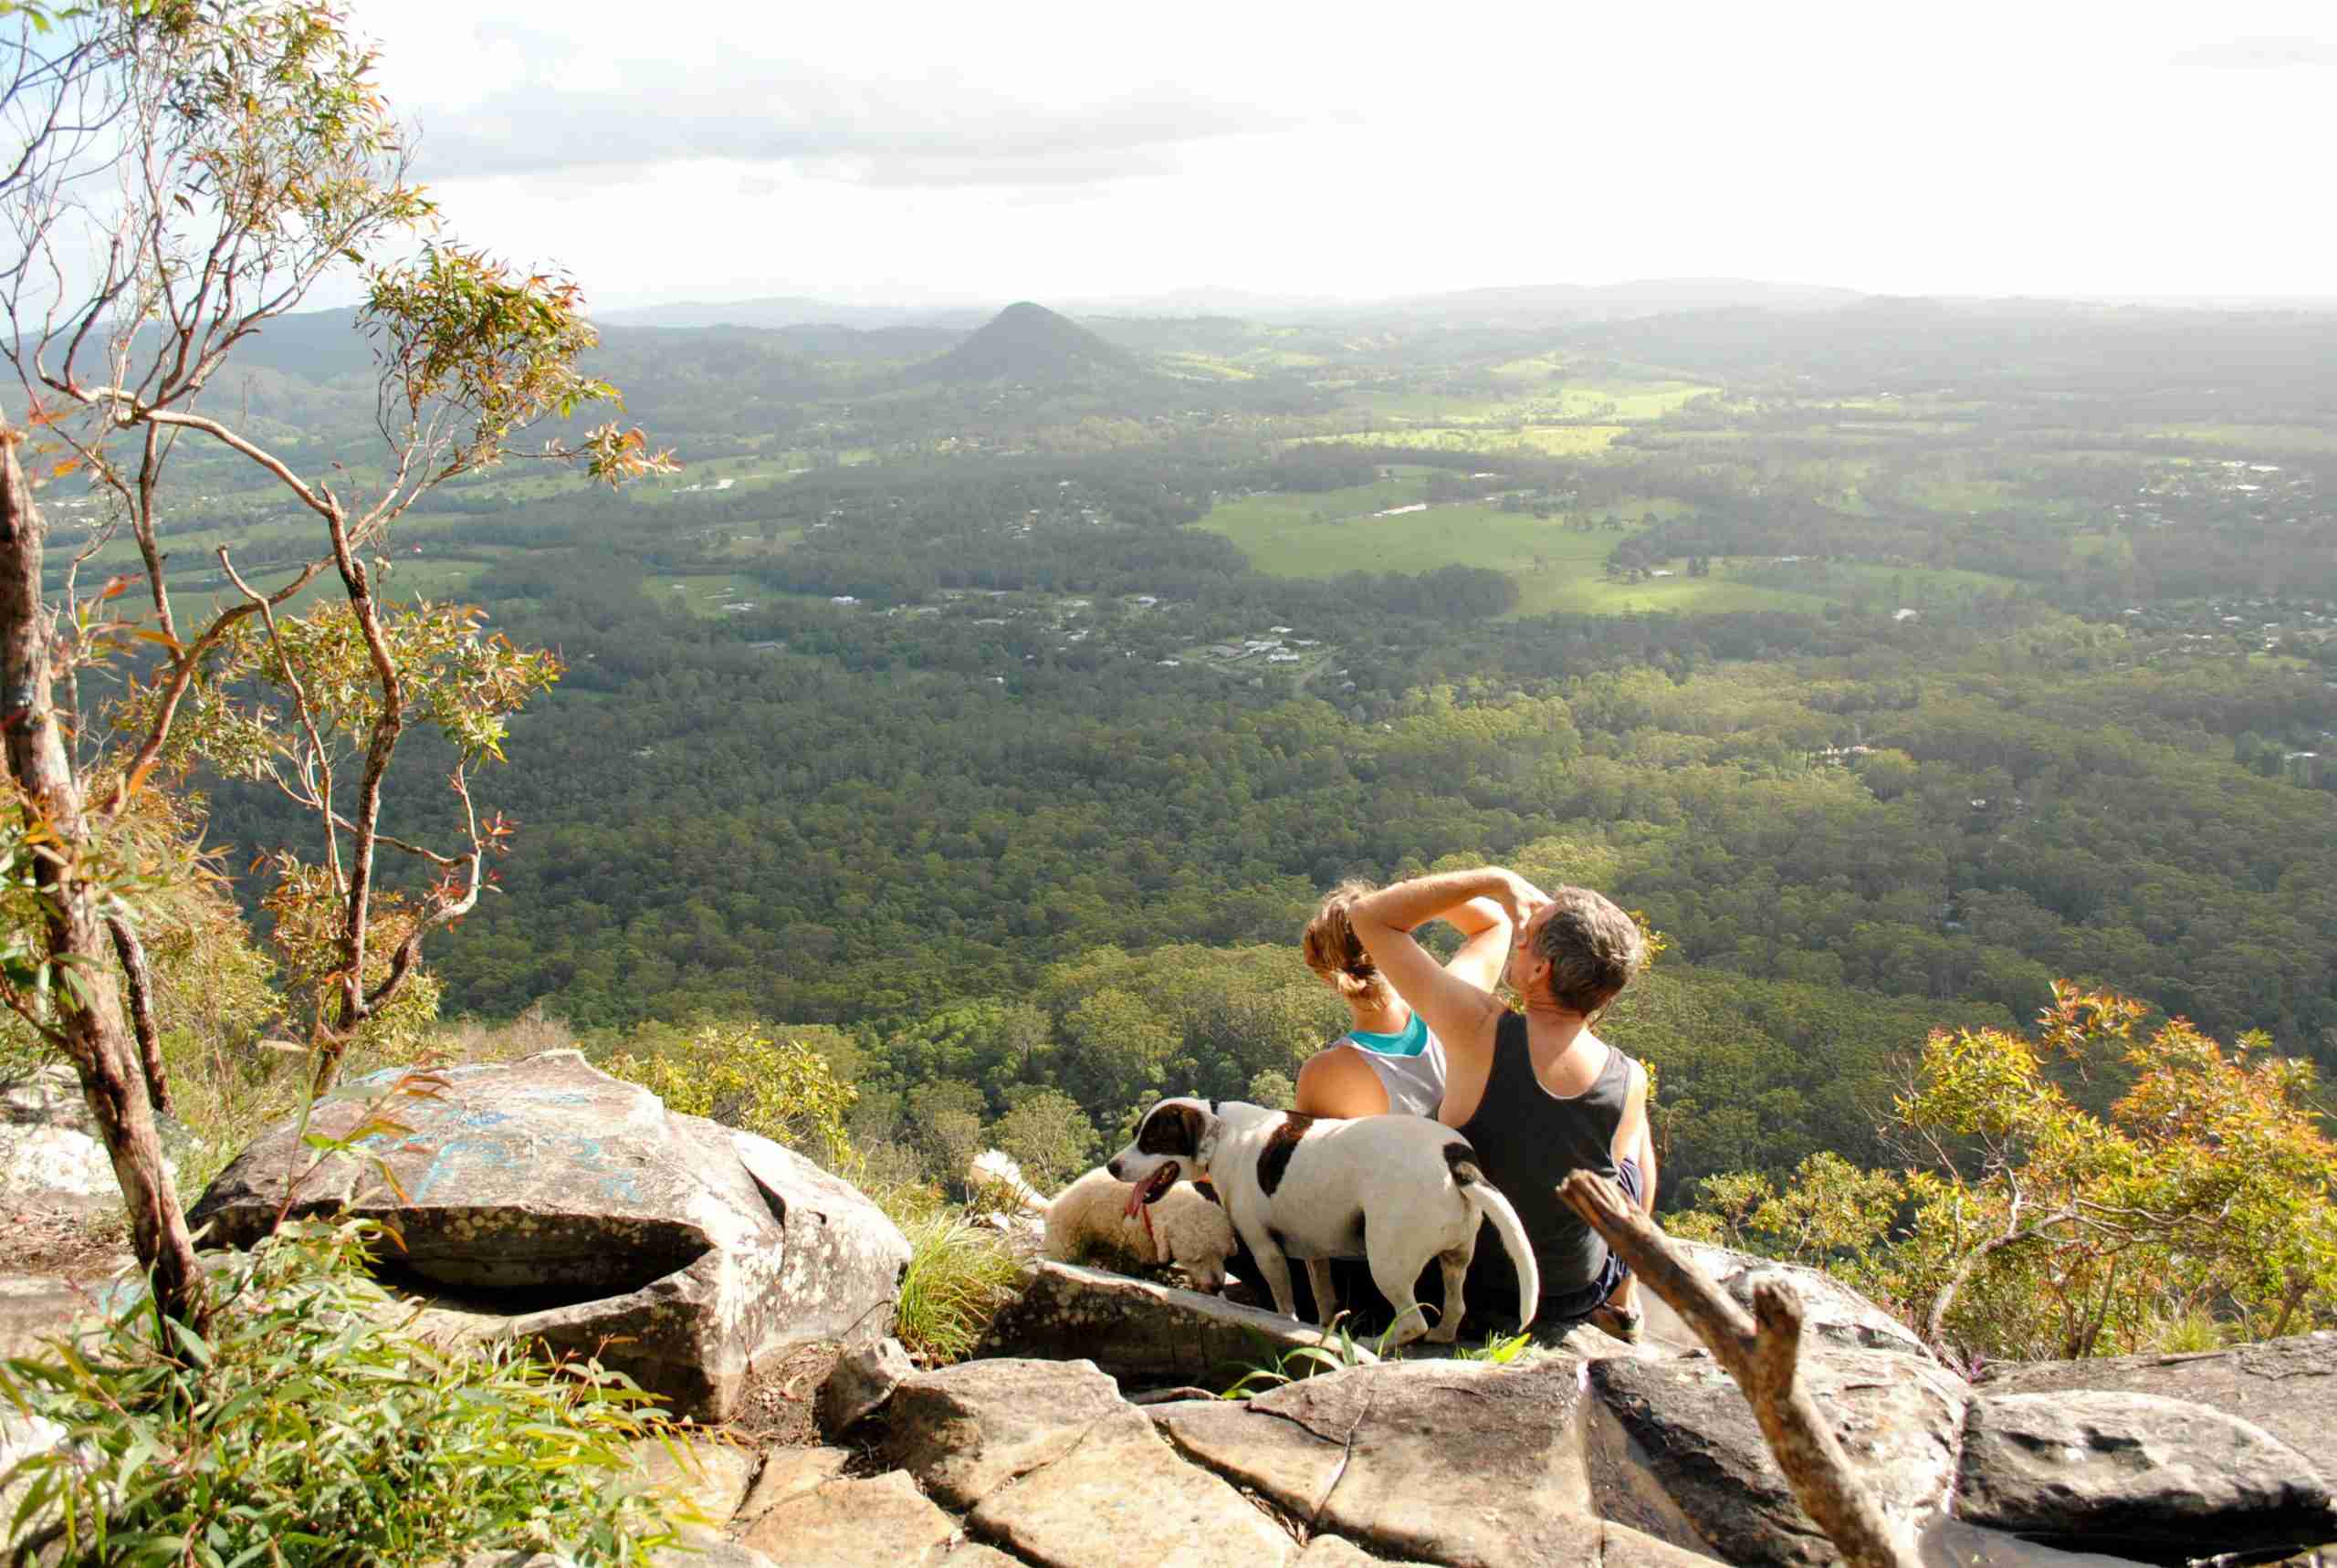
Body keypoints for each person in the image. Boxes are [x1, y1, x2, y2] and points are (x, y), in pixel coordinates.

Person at [1347, 866, 1654, 1343]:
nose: (1518, 940)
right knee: (1632, 1148)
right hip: (1567, 1293)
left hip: (1462, 1285)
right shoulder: (1627, 1076)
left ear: (1540, 971)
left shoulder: (1479, 1028)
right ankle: (1624, 1299)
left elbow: (1370, 915)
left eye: (1527, 937)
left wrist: (1493, 880)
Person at [1292, 879, 1512, 1120]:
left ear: (1326, 975)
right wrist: (1410, 891)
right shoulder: (1455, 1004)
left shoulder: (1325, 1075)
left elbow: (1314, 1155)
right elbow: (1494, 922)